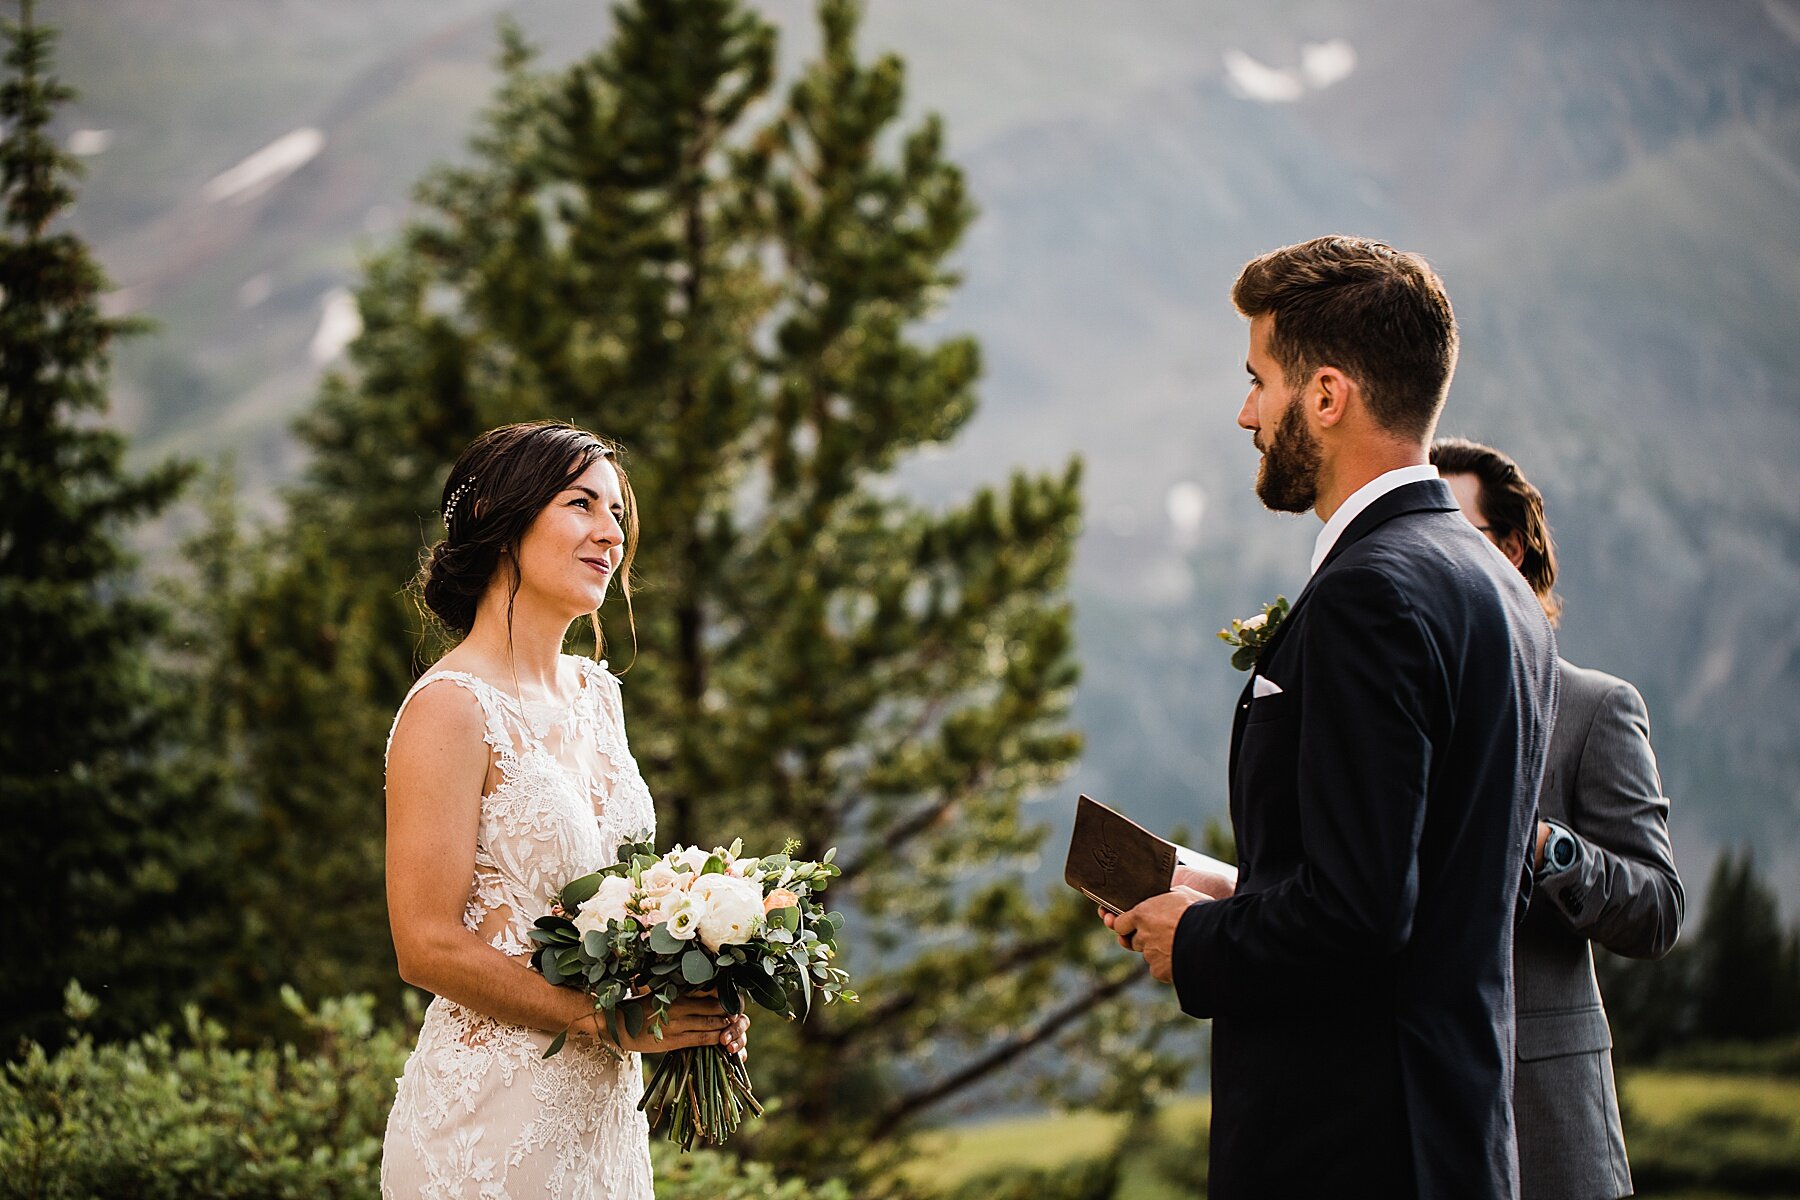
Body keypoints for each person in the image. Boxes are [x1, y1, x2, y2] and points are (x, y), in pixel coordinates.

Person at [1107, 236, 1559, 1198]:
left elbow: (1358, 922)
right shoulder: (1497, 587)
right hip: (1455, 1133)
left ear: (1325, 395)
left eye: (1258, 381)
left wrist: (1192, 939)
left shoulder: (1372, 595)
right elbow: (1439, 883)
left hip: (1351, 1145)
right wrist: (1234, 885)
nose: (1245, 413)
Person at [380, 421, 748, 1199]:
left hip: (605, 1127)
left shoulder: (598, 697)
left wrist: (687, 994)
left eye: (617, 515)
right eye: (582, 504)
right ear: (501, 523)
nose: (611, 535)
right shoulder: (450, 709)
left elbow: (615, 905)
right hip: (486, 1127)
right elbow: (424, 944)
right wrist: (598, 1020)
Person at [1433, 435, 1684, 1200]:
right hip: (1417, 1113)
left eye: (1455, 537)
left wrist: (1546, 845)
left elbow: (1658, 910)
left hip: (1545, 1121)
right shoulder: (1398, 710)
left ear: (1510, 550)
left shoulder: (1596, 708)